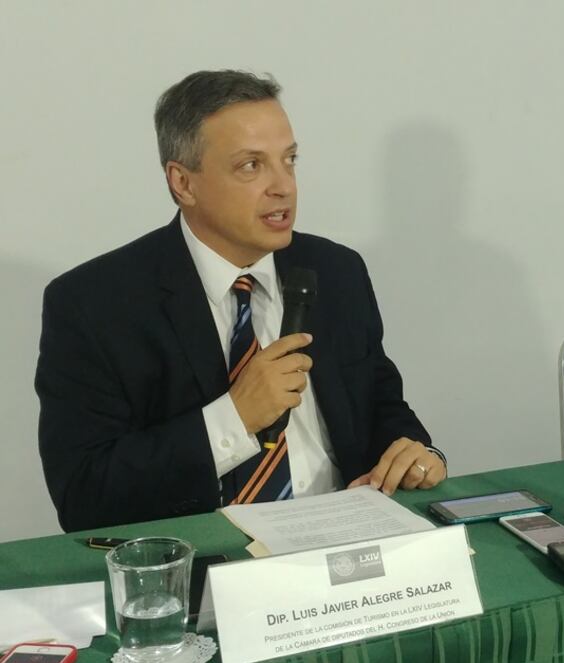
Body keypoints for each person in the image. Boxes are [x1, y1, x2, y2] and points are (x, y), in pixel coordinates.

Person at [36, 70, 446, 531]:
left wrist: (415, 450)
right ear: (183, 183)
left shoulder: (337, 271)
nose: (283, 186)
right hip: (205, 568)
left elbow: (381, 403)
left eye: (289, 160)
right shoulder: (94, 304)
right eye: (251, 166)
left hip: (347, 545)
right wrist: (234, 419)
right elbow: (84, 495)